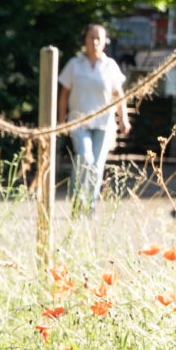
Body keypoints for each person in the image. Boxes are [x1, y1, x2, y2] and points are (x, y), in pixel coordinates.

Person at [57, 23, 130, 213]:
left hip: (103, 124)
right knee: (85, 159)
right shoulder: (74, 65)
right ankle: (77, 201)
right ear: (85, 40)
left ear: (104, 42)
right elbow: (64, 94)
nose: (95, 42)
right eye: (92, 37)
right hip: (79, 121)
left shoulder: (110, 66)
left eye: (99, 38)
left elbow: (119, 95)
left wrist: (124, 119)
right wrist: (61, 120)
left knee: (97, 166)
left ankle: (89, 207)